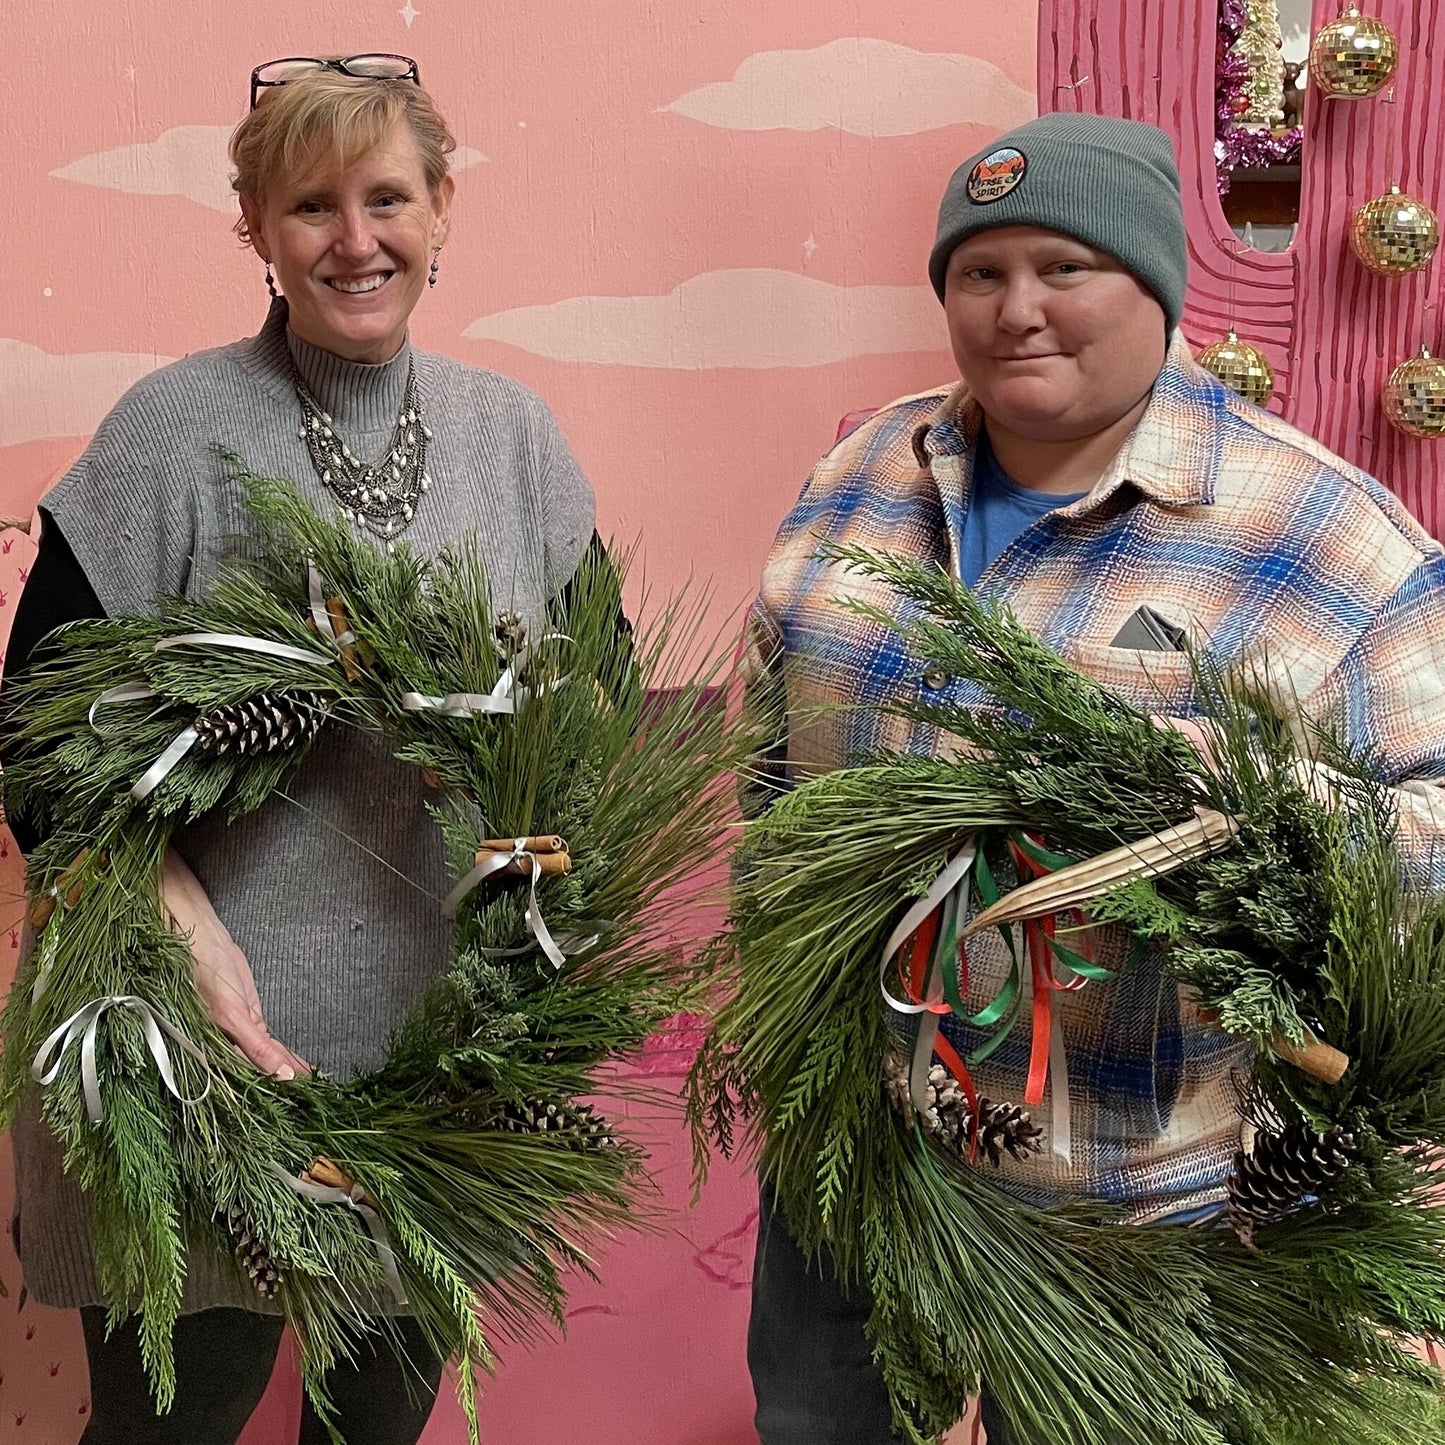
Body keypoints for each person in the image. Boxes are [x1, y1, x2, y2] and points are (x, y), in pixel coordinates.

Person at [743, 111, 1445, 1444]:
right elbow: (768, 769)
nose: (1017, 310)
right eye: (979, 271)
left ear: (1154, 284)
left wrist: (1250, 806)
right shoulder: (857, 478)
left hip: (1135, 1205)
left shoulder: (1324, 539)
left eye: (1063, 267)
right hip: (851, 1153)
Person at [2, 55, 596, 1445]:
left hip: (429, 1054)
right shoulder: (170, 431)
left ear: (443, 210)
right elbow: (35, 733)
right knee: (168, 1420)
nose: (354, 237)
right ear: (255, 230)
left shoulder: (519, 444)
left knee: (376, 1421)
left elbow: (587, 730)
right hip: (186, 1045)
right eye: (309, 203)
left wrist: (532, 931)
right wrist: (172, 928)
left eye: (387, 196)